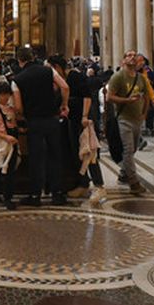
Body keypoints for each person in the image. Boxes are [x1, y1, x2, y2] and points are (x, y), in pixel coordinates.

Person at [12, 45, 70, 206]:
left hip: (34, 121)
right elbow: (65, 87)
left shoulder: (17, 80)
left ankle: (35, 195)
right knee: (55, 156)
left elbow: (18, 107)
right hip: (52, 119)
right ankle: (57, 194)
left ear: (19, 60)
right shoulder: (48, 70)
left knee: (36, 158)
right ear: (33, 57)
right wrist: (64, 105)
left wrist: (23, 114)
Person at [105, 51, 154, 196]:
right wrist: (127, 101)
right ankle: (134, 182)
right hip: (124, 118)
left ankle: (123, 173)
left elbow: (146, 96)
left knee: (133, 150)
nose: (132, 57)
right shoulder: (118, 76)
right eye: (129, 55)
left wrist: (144, 114)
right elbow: (109, 97)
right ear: (123, 60)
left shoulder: (141, 78)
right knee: (128, 149)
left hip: (137, 119)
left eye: (134, 55)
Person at [66, 59, 106, 204]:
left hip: (83, 121)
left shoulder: (75, 77)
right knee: (77, 153)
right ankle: (83, 183)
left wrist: (84, 115)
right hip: (73, 120)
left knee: (90, 152)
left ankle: (99, 185)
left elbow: (87, 96)